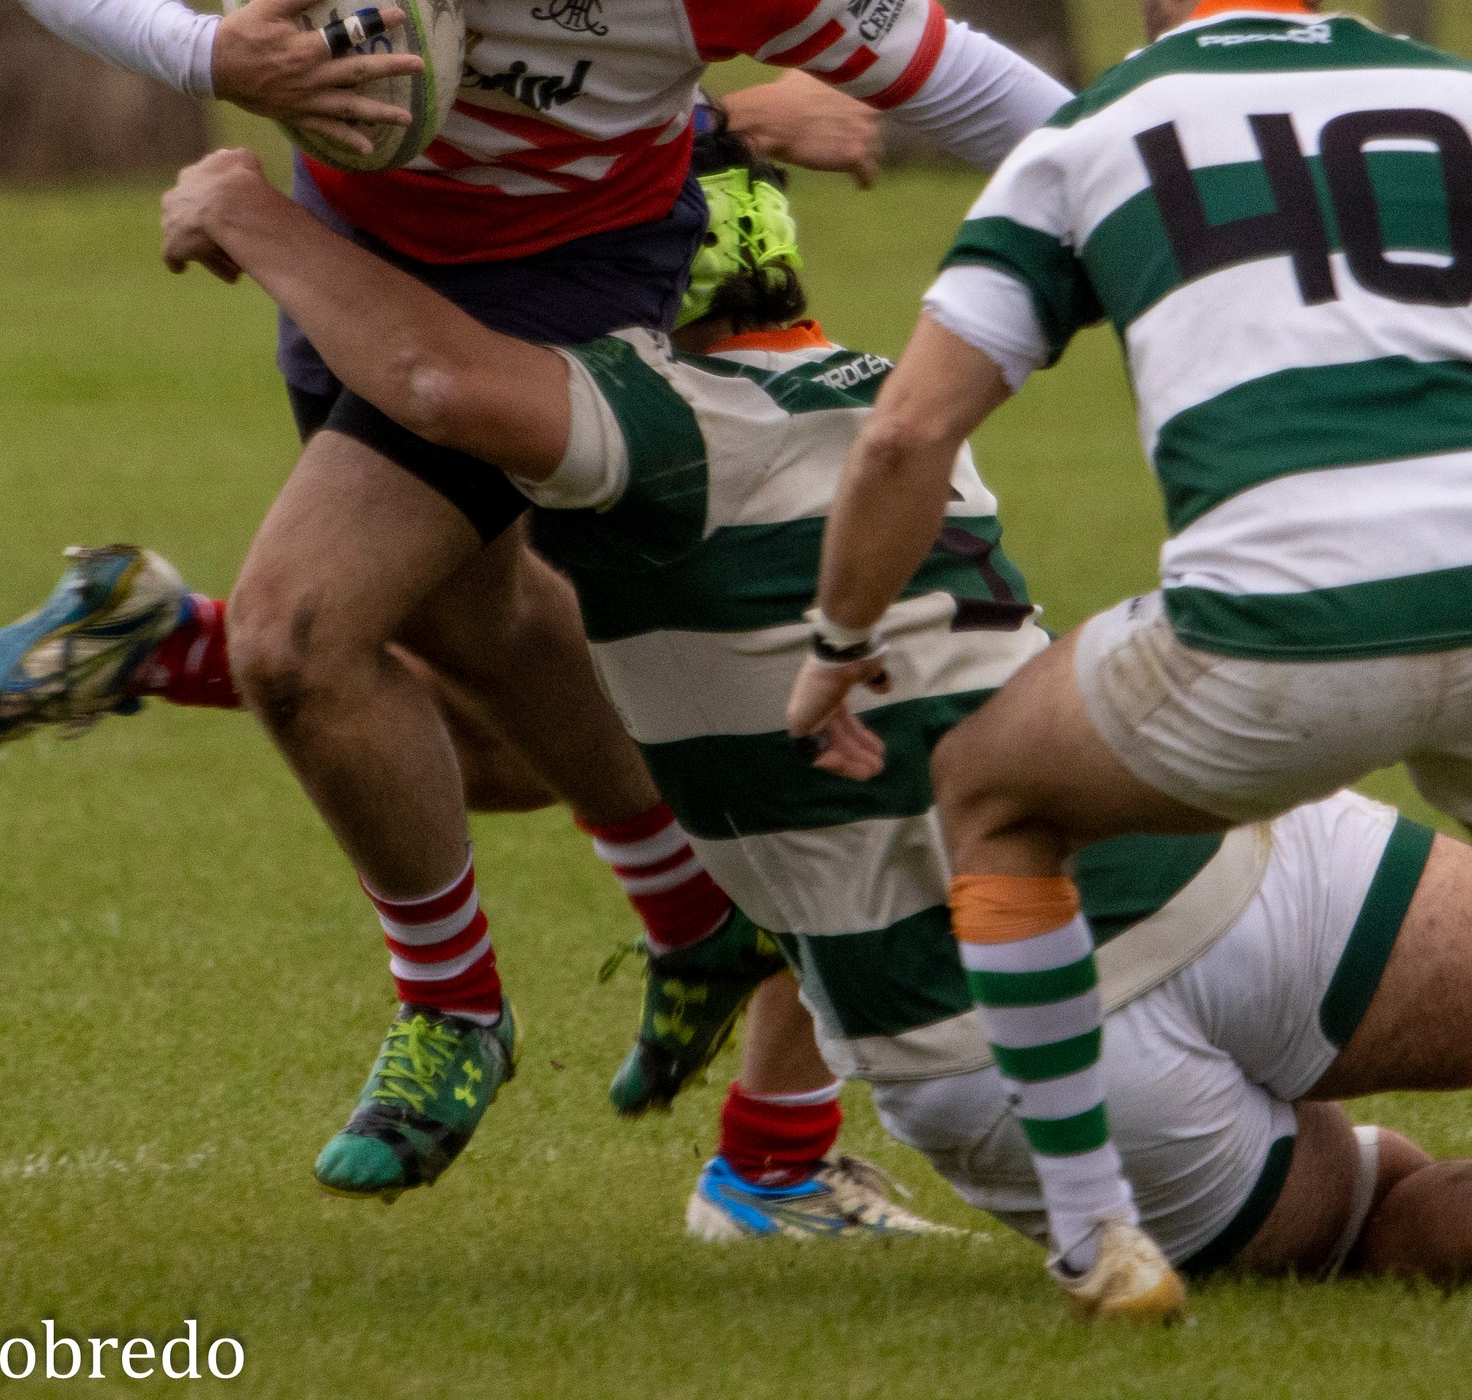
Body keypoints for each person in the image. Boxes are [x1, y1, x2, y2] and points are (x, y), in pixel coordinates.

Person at [0, 0, 1063, 1205]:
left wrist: (1180, 192)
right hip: (354, 254)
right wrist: (208, 45)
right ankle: (695, 923)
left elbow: (988, 94)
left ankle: (452, 1010)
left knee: (298, 634)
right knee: (483, 622)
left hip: (574, 279)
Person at [156, 126, 1472, 1311]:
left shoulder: (650, 425)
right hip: (1208, 860)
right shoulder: (888, 394)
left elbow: (434, 382)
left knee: (1376, 1223)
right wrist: (720, 112)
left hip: (987, 1032)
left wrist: (253, 209)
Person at [787, 0, 1472, 1312]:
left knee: (991, 795)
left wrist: (834, 651)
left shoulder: (1094, 130)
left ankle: (1098, 1238)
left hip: (1271, 643)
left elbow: (906, 433)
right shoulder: (1459, 96)